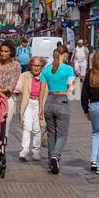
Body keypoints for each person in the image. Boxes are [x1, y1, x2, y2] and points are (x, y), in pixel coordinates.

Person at [41, 46, 76, 174]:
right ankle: (55, 156)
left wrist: (41, 107)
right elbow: (72, 90)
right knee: (62, 134)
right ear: (64, 54)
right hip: (62, 101)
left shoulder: (46, 69)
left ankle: (51, 162)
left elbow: (42, 90)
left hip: (49, 101)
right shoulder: (68, 69)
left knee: (51, 134)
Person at [14, 57, 48, 161]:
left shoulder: (45, 77)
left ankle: (36, 151)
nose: (36, 68)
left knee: (37, 129)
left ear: (42, 67)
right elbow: (17, 88)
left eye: (38, 66)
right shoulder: (25, 76)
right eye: (34, 65)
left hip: (39, 104)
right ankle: (24, 151)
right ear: (30, 66)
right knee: (27, 127)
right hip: (28, 103)